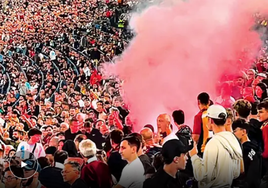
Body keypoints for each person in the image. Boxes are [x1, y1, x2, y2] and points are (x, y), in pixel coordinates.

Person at [189, 104, 242, 188]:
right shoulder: (233, 140)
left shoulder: (213, 143)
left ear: (211, 121)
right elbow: (236, 173)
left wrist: (194, 156)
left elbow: (203, 176)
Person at [232, 119, 262, 188]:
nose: (233, 134)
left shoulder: (245, 150)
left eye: (235, 131)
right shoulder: (255, 148)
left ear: (243, 131)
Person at [192, 92, 210, 157]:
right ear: (209, 102)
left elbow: (196, 137)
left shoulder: (199, 116)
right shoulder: (213, 114)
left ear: (198, 102)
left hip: (203, 150)